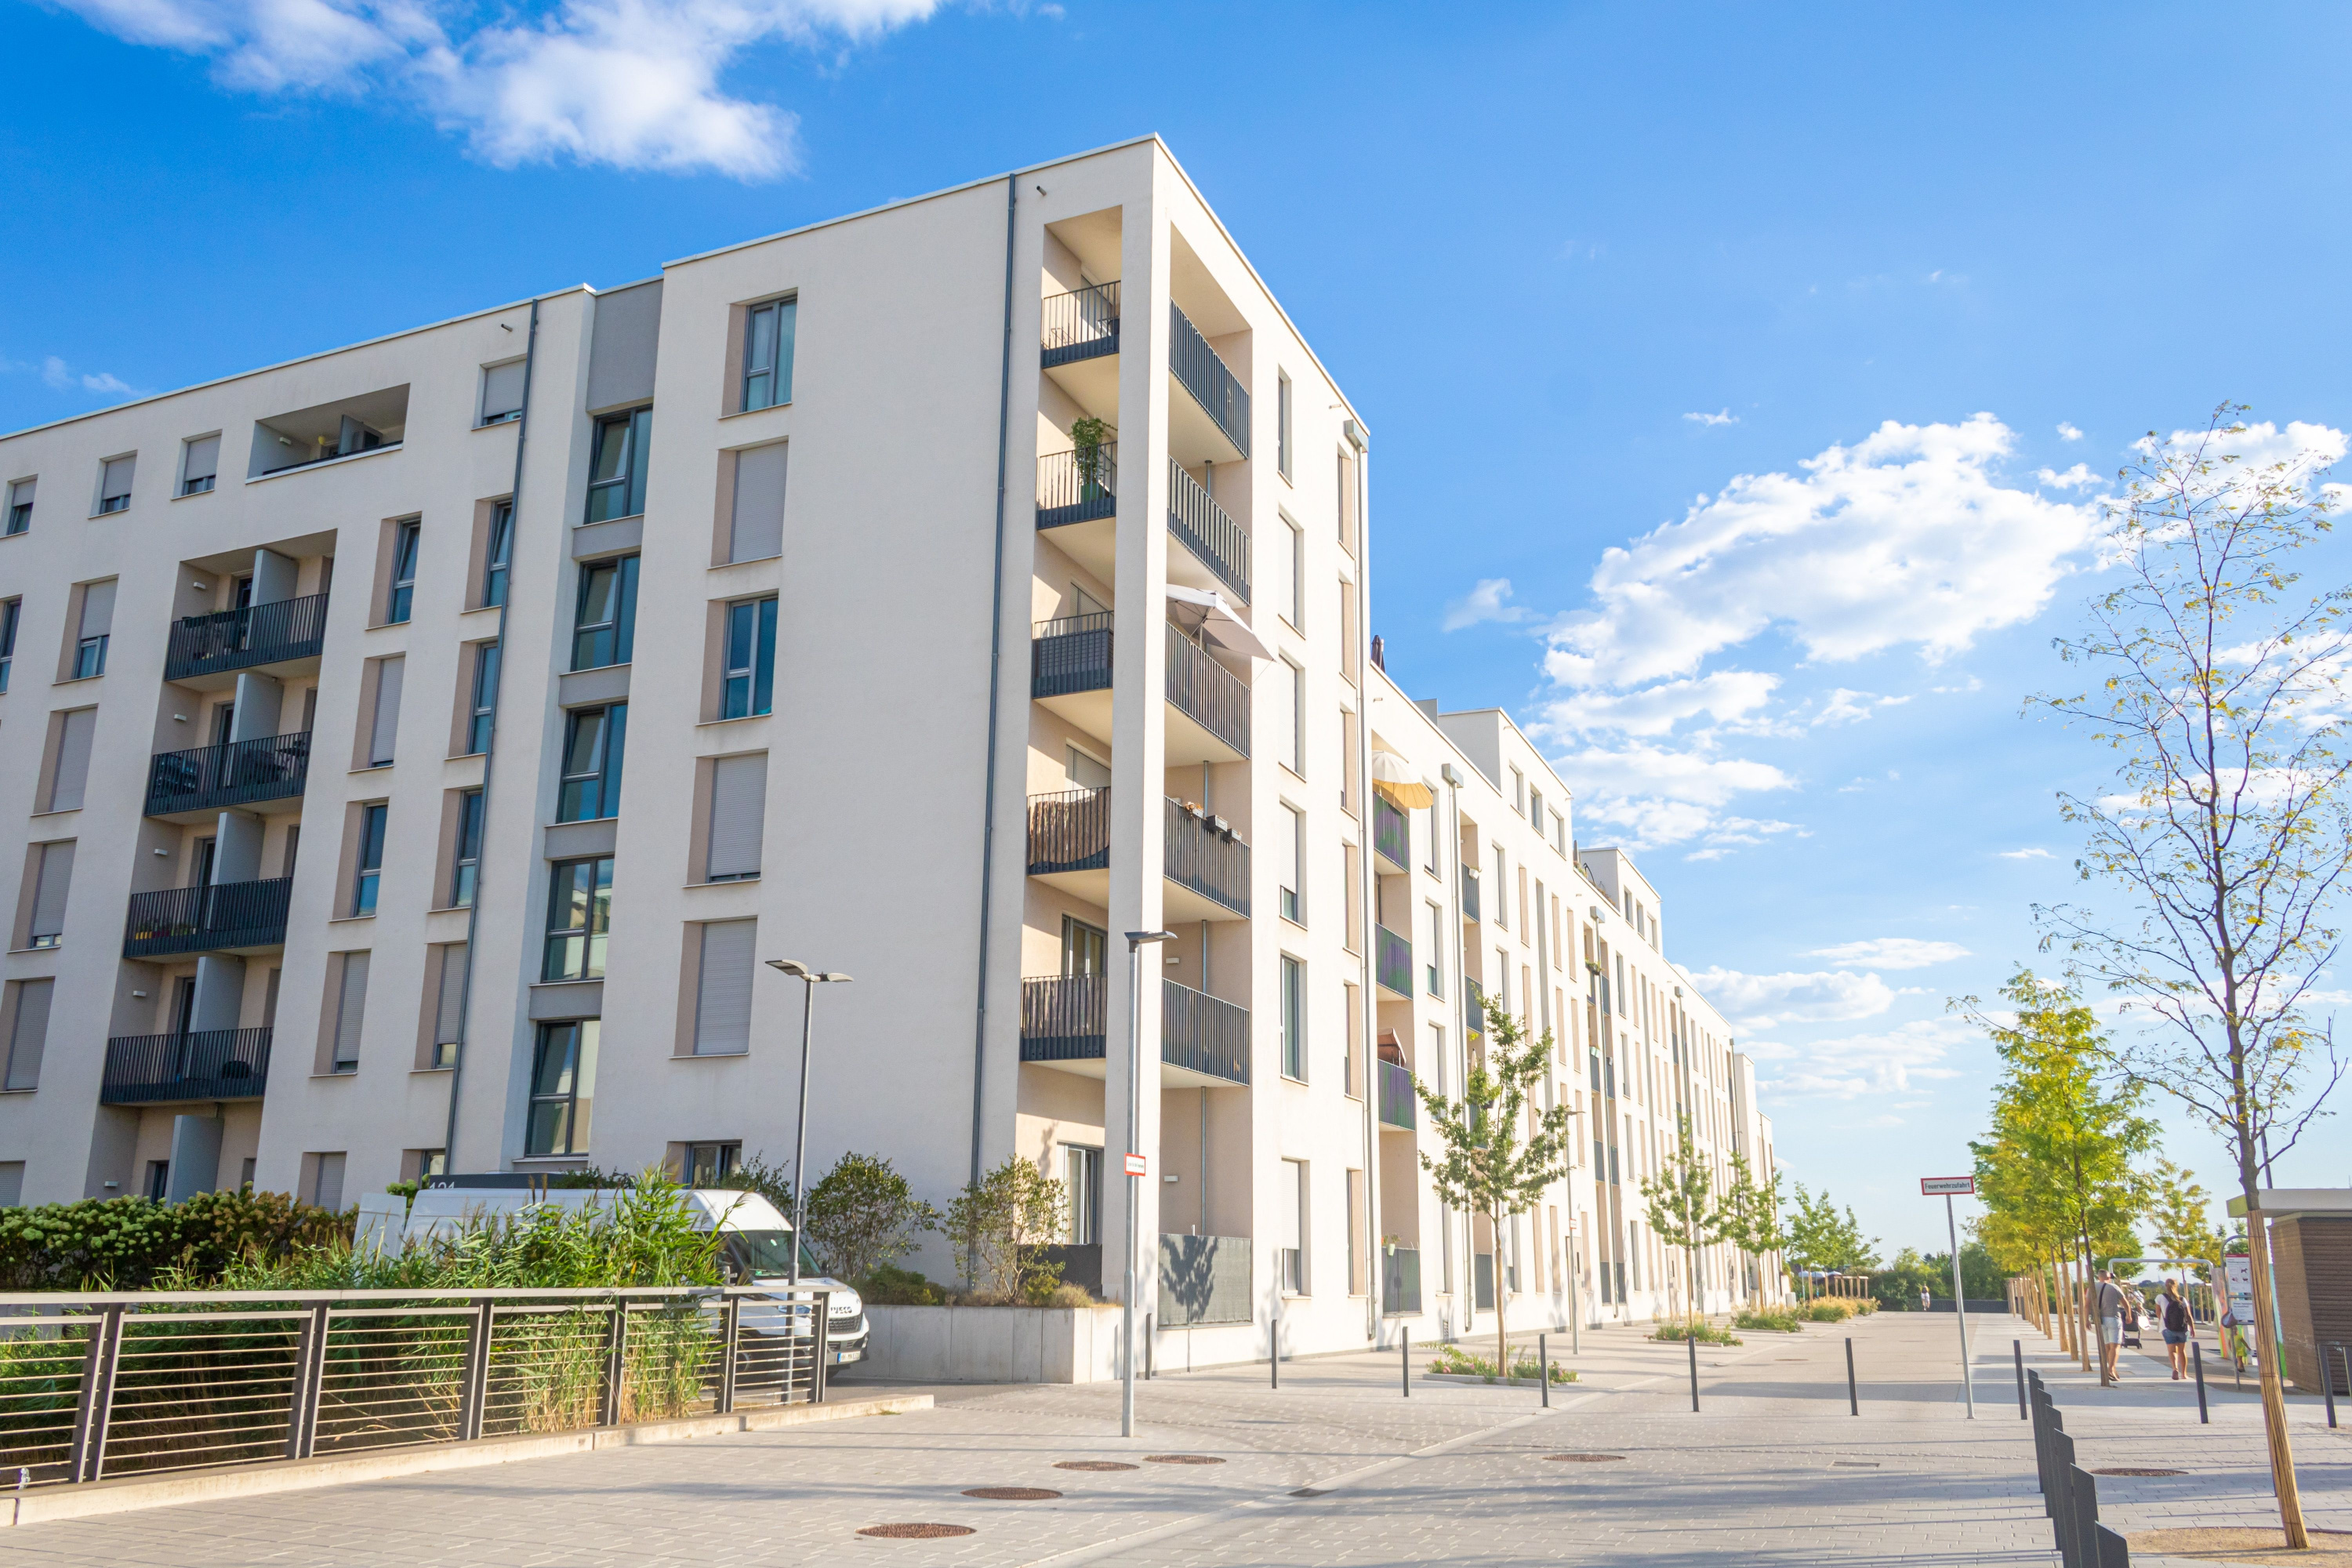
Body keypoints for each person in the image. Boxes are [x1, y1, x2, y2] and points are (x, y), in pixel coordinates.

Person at [2095, 1270, 2128, 1381]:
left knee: (2107, 1346)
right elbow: (2125, 1302)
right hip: (2113, 1318)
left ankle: (2109, 1369)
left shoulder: (2092, 1287)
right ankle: (2111, 1369)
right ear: (2108, 1277)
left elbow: (2087, 1305)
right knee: (2115, 1346)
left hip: (2100, 1320)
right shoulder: (2114, 1287)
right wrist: (2129, 1315)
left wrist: (2086, 1320)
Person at [2160, 1280, 2192, 1379]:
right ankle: (2184, 1374)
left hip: (2167, 1328)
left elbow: (2158, 1314)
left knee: (2172, 1350)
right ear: (2176, 1286)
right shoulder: (2182, 1299)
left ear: (2166, 1286)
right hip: (2182, 1329)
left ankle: (2175, 1369)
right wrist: (2193, 1328)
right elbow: (2188, 1315)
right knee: (2182, 1351)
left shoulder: (2160, 1298)